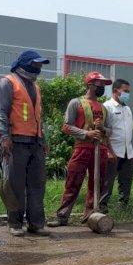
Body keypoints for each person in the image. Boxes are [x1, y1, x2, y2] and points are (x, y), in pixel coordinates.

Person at [0, 50, 51, 237]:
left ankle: (36, 223)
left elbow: (38, 117)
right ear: (25, 63)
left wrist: (42, 139)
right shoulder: (8, 82)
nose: (39, 68)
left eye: (40, 65)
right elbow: (1, 112)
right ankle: (15, 223)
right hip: (14, 141)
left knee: (37, 183)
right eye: (36, 64)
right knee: (14, 184)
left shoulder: (35, 87)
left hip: (34, 142)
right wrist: (4, 136)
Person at [48, 72, 113, 227]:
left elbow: (110, 131)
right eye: (100, 84)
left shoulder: (104, 108)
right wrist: (86, 133)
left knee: (97, 183)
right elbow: (67, 126)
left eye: (104, 85)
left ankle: (90, 217)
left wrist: (102, 128)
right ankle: (62, 216)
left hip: (101, 150)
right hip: (82, 148)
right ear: (90, 85)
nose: (103, 87)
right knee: (73, 181)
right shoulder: (76, 103)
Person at [101, 78, 133, 211]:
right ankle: (102, 206)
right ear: (116, 91)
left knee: (126, 181)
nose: (128, 94)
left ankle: (124, 207)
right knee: (107, 181)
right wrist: (109, 151)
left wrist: (132, 152)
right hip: (113, 151)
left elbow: (129, 131)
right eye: (125, 91)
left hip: (128, 152)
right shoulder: (106, 107)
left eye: (129, 91)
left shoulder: (127, 109)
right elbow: (104, 132)